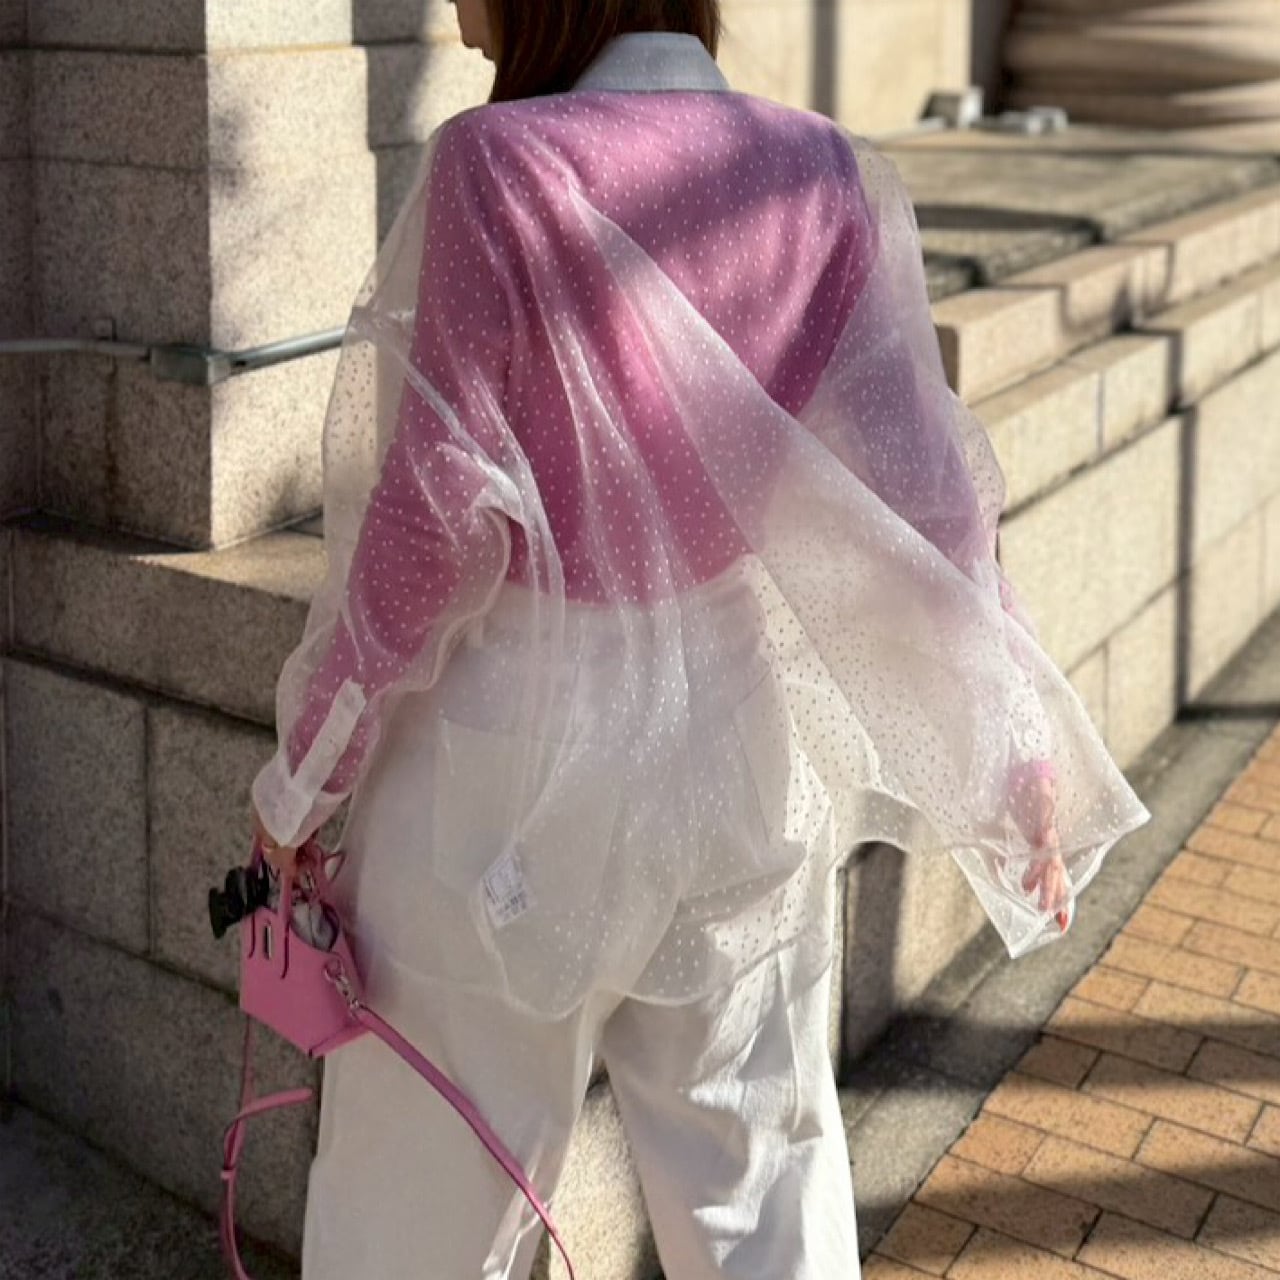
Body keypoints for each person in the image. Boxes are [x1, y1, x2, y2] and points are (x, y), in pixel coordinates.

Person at [249, 2, 1153, 1276]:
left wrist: (302, 775)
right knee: (757, 1176)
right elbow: (928, 495)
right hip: (731, 732)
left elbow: (432, 516)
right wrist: (1012, 748)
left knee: (425, 1199)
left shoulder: (497, 164)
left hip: (502, 752)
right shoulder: (817, 171)